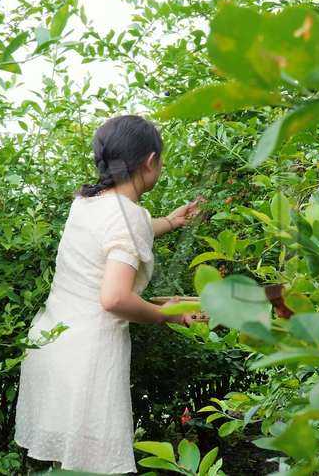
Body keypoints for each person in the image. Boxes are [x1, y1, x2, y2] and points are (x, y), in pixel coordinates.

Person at [14, 115, 206, 474]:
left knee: (68, 462)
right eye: (161, 159)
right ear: (150, 162)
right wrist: (172, 314)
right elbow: (115, 299)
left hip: (54, 344)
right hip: (91, 358)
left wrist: (170, 221)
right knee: (95, 465)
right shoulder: (126, 216)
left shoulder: (87, 202)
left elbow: (121, 233)